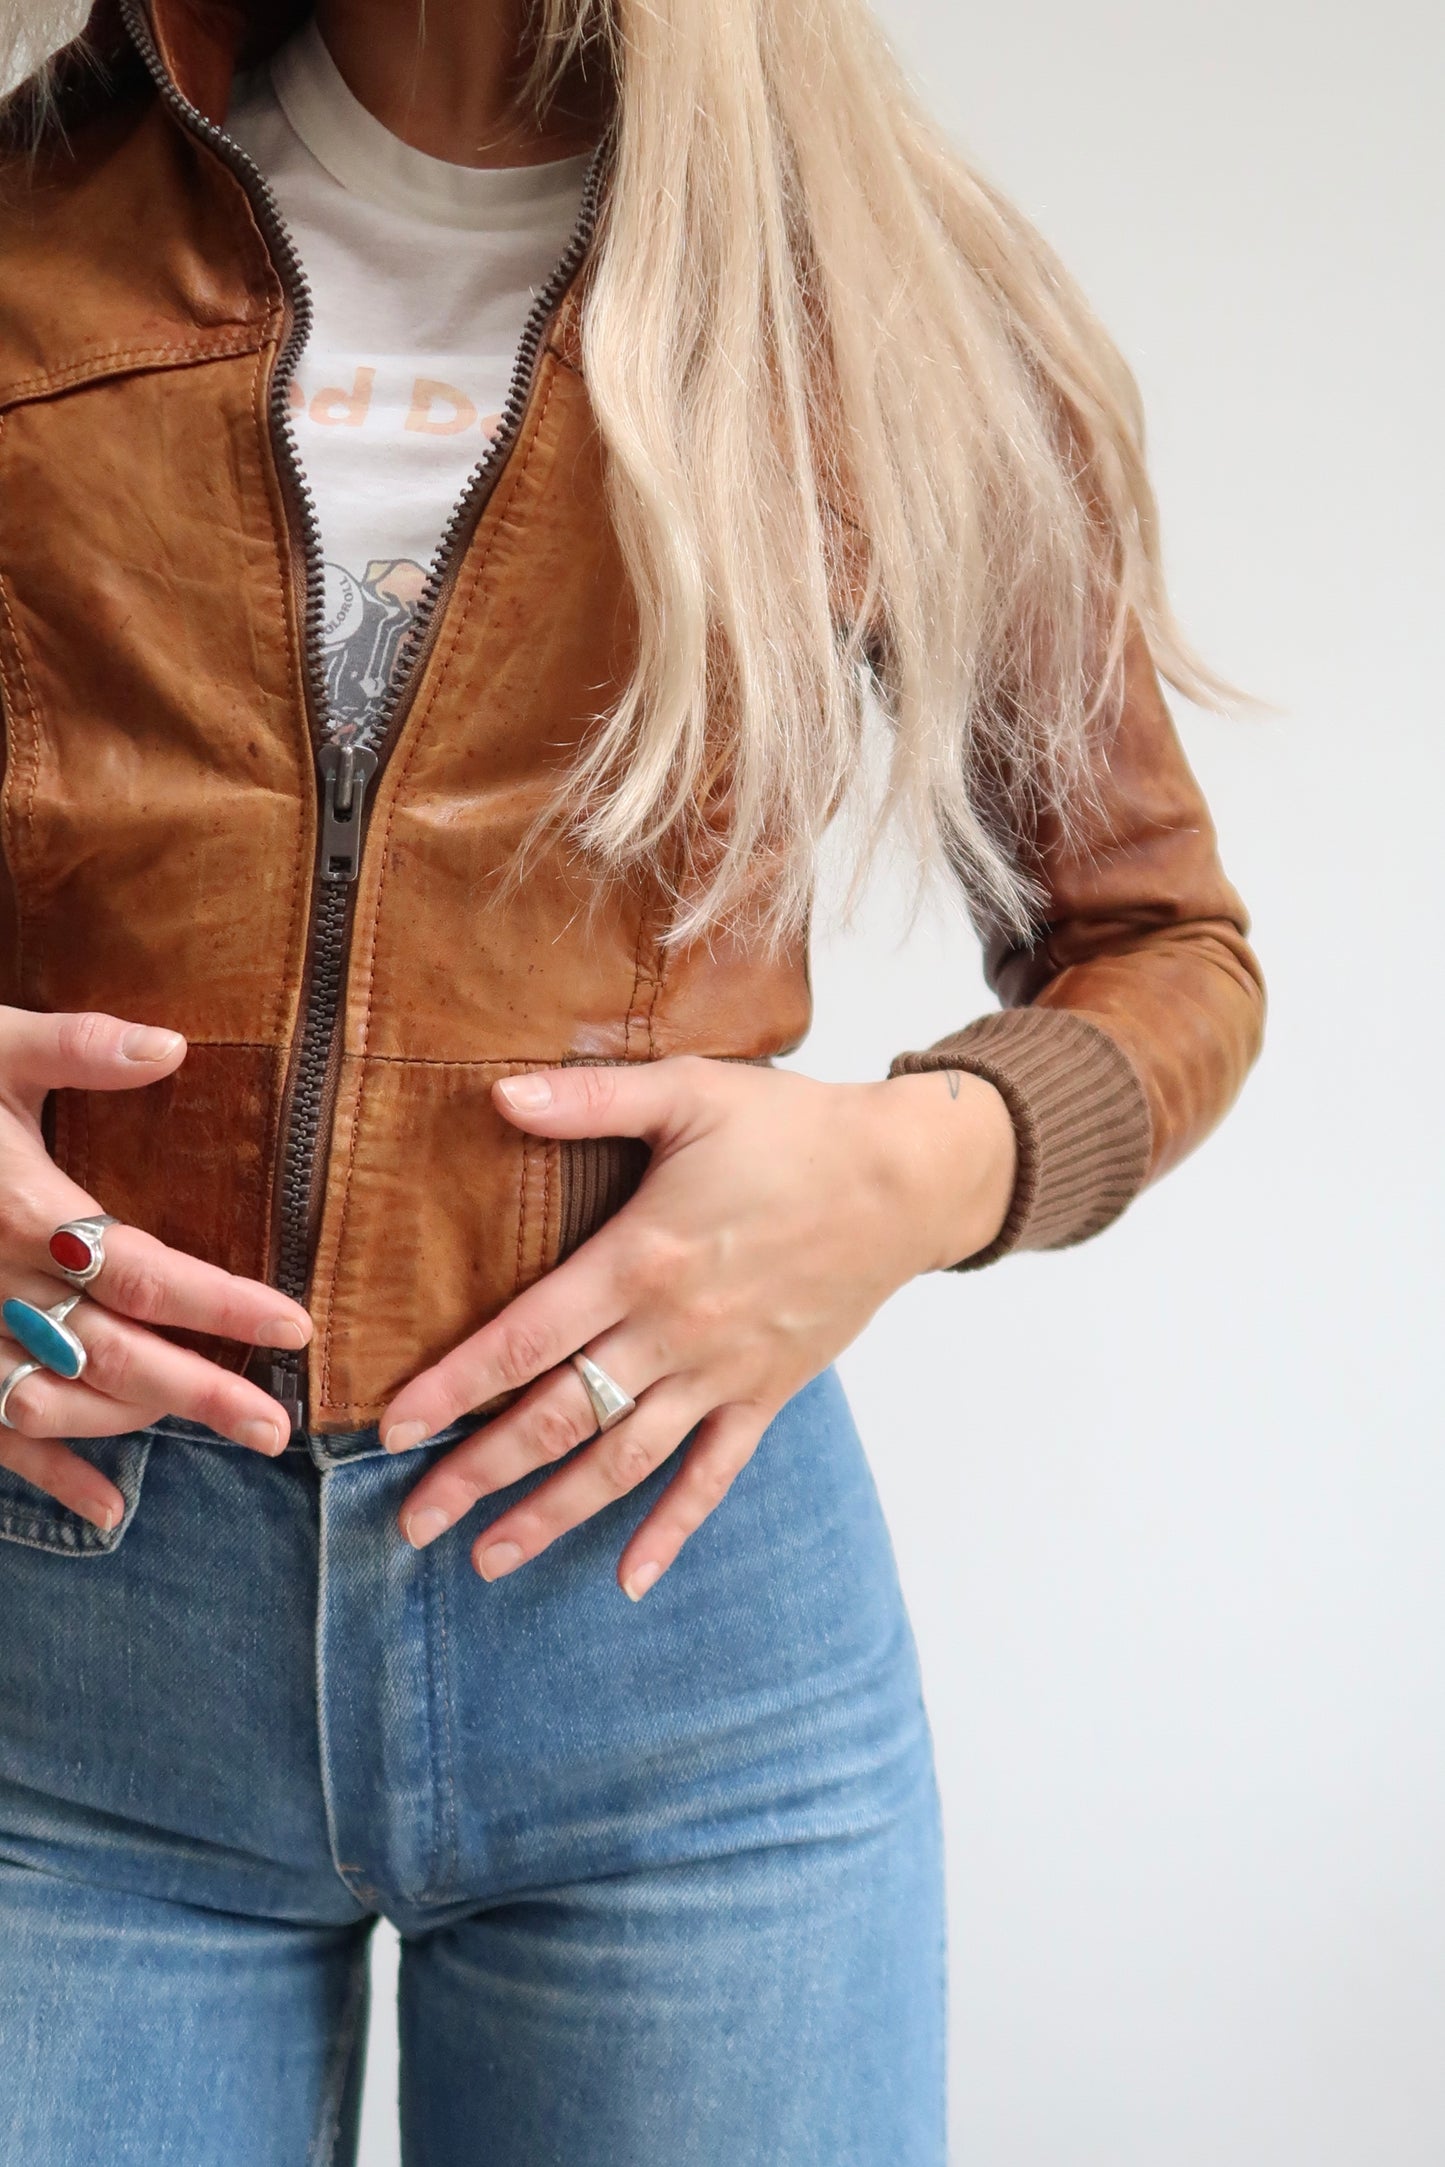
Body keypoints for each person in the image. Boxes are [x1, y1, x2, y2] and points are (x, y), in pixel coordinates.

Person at [0, 0, 1264, 2158]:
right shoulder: (30, 238)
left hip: (680, 1658)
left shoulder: (877, 292)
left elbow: (1162, 950)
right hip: (67, 1640)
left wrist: (910, 1170)